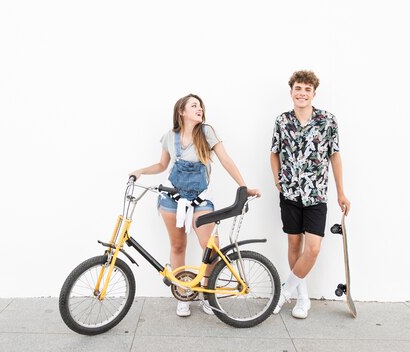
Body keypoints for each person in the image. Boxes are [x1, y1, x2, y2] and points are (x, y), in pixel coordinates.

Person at [130, 94, 260, 317]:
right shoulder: (170, 136)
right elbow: (163, 165)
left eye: (200, 106)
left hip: (200, 198)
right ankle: (182, 294)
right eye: (194, 106)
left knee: (211, 248)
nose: (199, 109)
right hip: (172, 200)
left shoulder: (207, 132)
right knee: (178, 246)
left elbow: (226, 160)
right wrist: (141, 170)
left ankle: (208, 294)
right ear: (181, 111)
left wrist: (243, 186)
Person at [270, 70, 351, 319]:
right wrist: (277, 181)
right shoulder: (282, 121)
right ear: (291, 92)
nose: (302, 93)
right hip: (290, 194)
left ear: (314, 93)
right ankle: (302, 299)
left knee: (313, 248)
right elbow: (274, 153)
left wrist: (341, 192)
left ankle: (284, 291)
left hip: (316, 195)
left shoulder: (327, 121)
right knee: (294, 244)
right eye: (298, 88)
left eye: (307, 89)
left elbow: (334, 156)